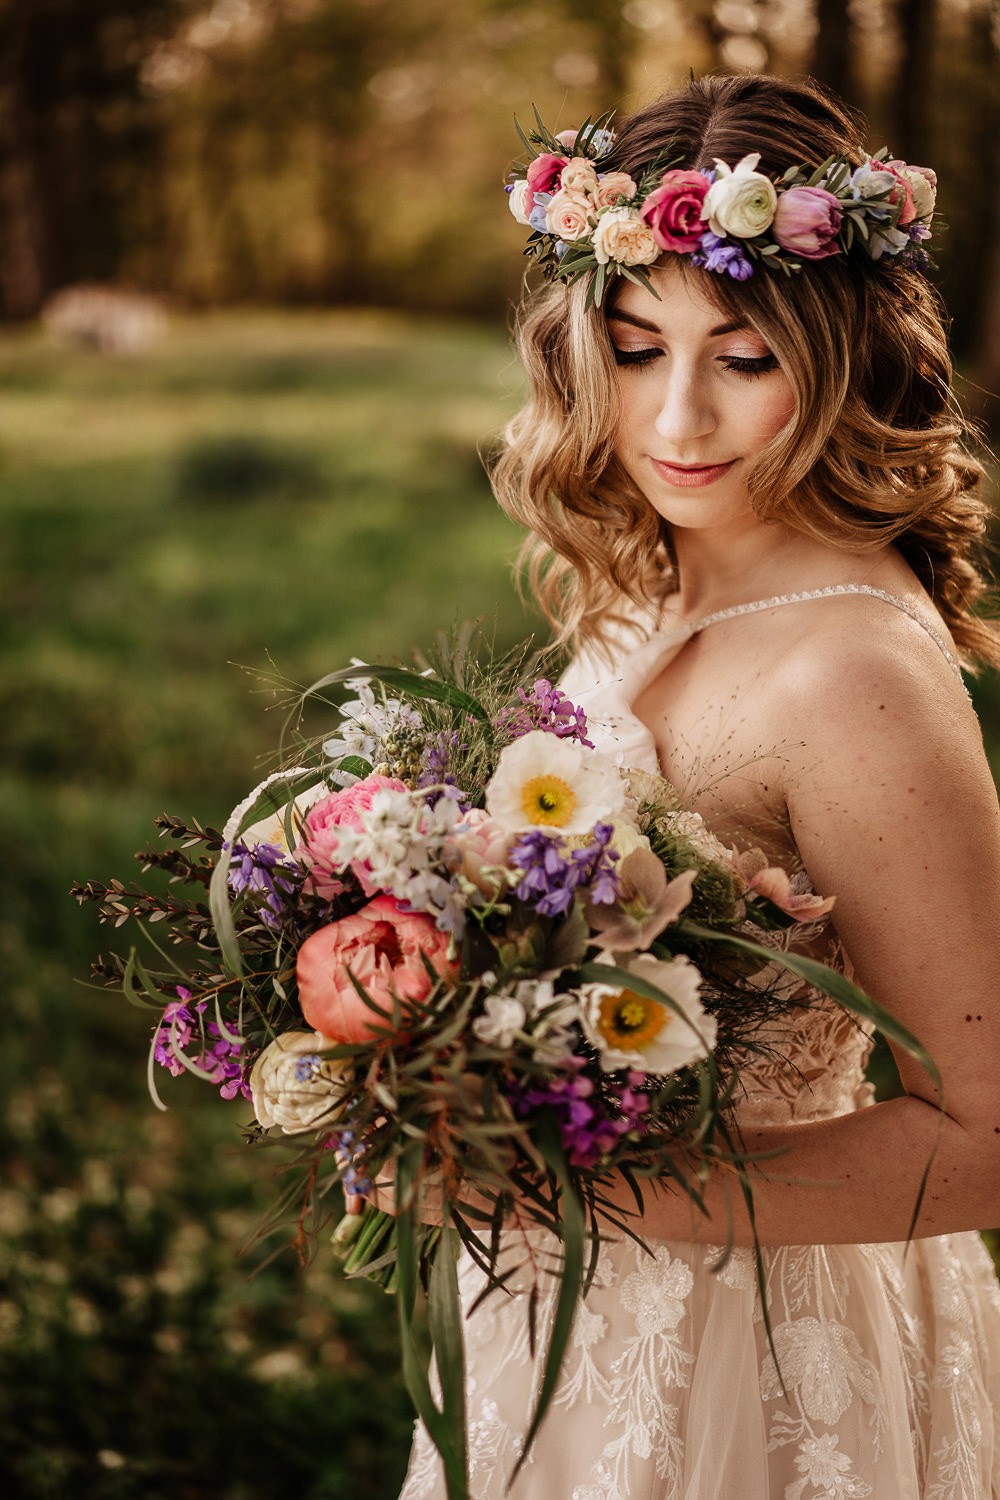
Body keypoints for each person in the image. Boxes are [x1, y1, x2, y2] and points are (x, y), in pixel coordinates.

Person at [397, 73, 1000, 1498]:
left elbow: (984, 1137)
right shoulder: (649, 588)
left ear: (842, 354)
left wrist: (571, 1185)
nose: (678, 417)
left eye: (742, 358)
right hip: (575, 1318)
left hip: (767, 1341)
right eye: (633, 344)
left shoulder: (849, 674)